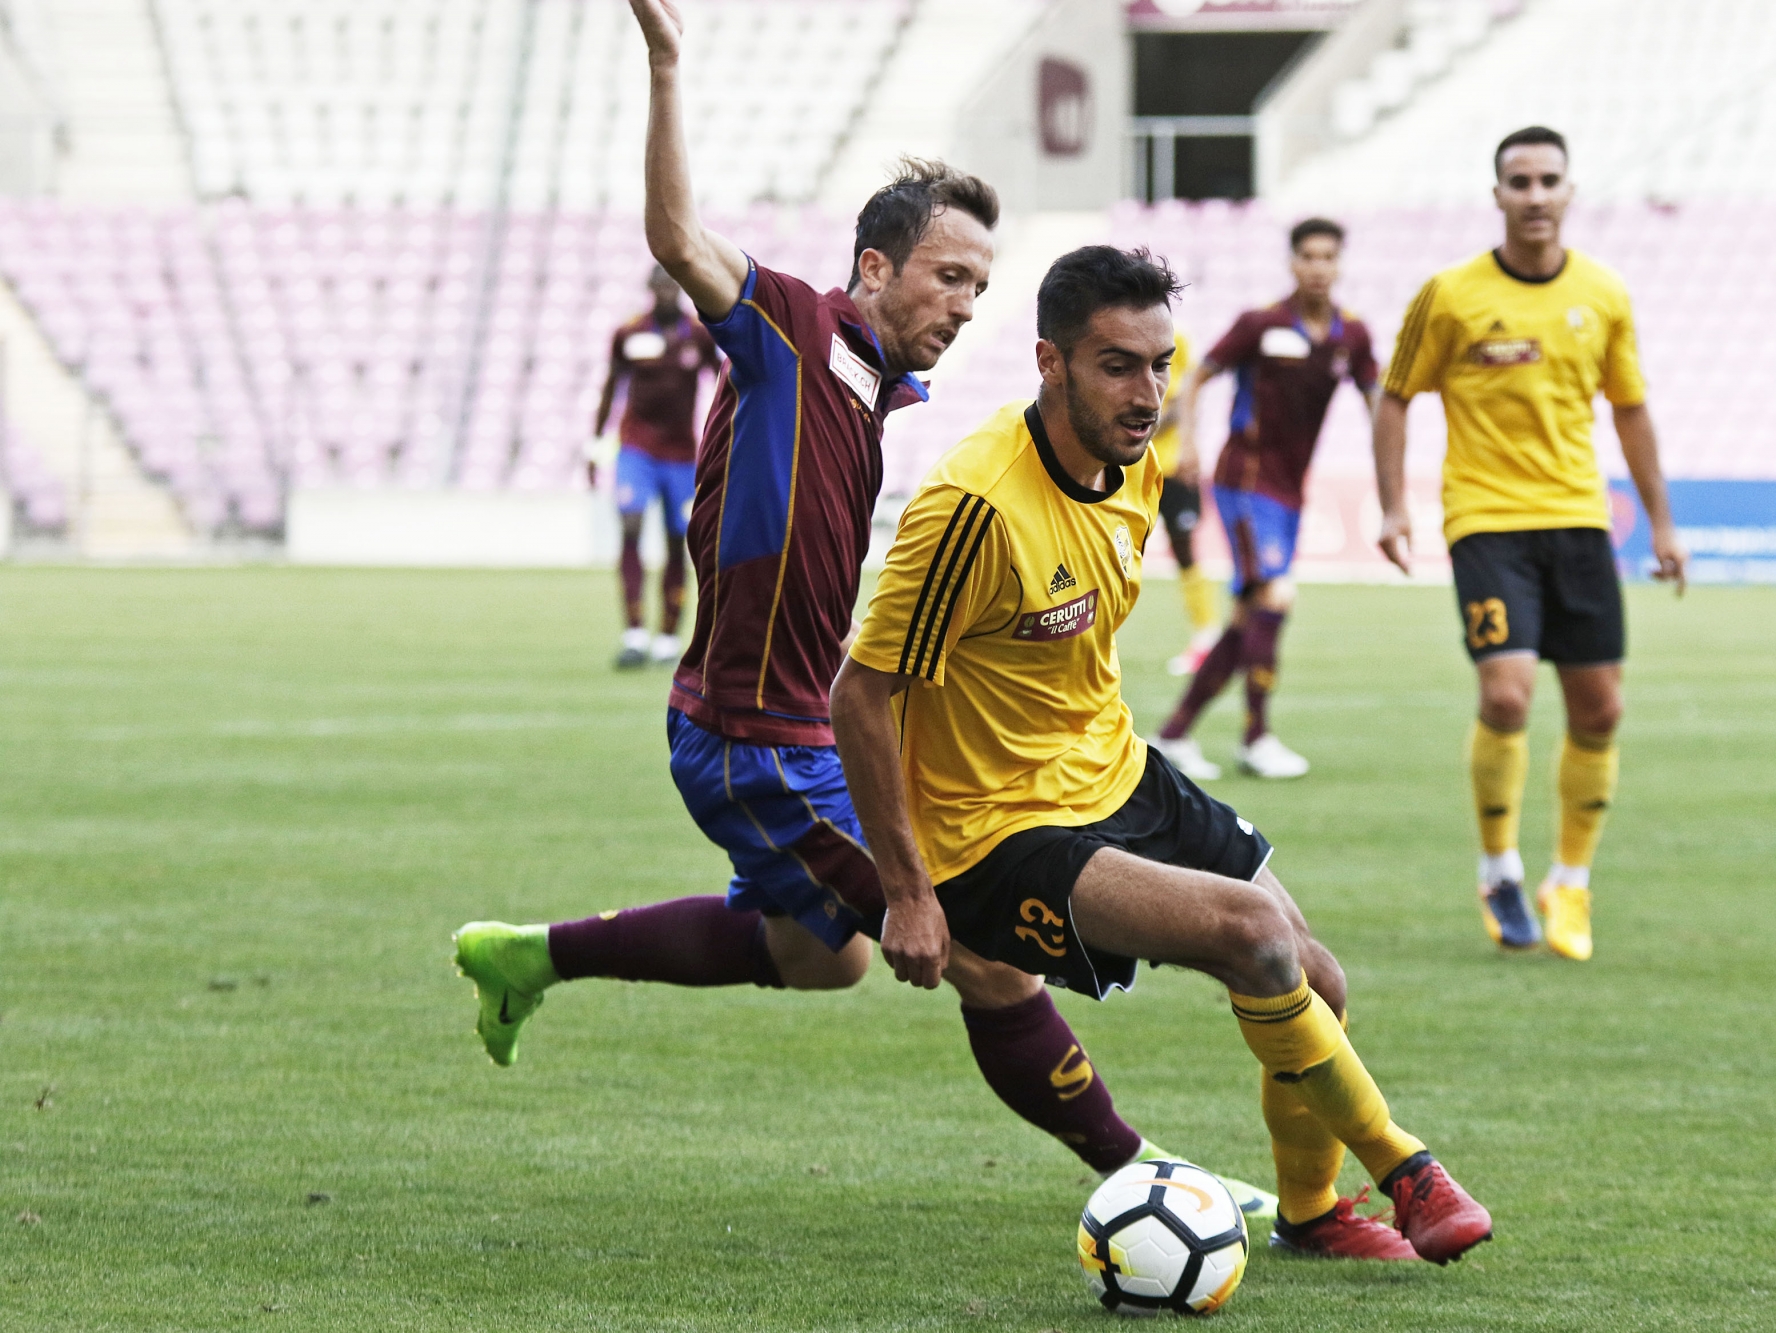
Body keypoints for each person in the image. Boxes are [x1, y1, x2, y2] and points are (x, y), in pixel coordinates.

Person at [452, 0, 1275, 1217]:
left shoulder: (879, 390)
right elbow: (679, 236)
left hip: (781, 731)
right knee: (969, 944)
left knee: (813, 956)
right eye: (948, 276)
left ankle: (530, 954)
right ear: (875, 269)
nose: (963, 302)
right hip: (757, 739)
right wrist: (669, 64)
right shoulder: (793, 328)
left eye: (980, 285)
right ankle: (1145, 1175)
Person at [831, 244, 1492, 1263]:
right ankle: (1406, 1169)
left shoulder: (1133, 463)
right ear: (1048, 362)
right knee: (1253, 936)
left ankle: (1314, 1215)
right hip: (995, 830)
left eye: (1159, 363)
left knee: (1318, 980)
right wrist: (909, 891)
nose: (1146, 393)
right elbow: (860, 693)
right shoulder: (972, 506)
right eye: (1116, 366)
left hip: (1110, 766)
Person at [1372, 126, 1688, 960]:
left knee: (1601, 709)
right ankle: (1498, 866)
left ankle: (1570, 884)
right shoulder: (1450, 295)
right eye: (1521, 181)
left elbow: (1630, 409)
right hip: (1487, 520)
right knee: (1508, 696)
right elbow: (1396, 392)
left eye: (1550, 179)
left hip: (1581, 521)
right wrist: (1392, 506)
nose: (1536, 194)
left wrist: (1660, 521)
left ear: (1570, 191)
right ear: (1499, 195)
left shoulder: (1604, 294)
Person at [1150, 219, 1379, 781]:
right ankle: (1256, 738)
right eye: (1308, 255)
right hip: (1244, 481)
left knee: (1252, 611)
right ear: (1292, 262)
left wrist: (1388, 474)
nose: (1318, 266)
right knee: (1275, 596)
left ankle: (1172, 736)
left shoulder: (1352, 336)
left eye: (1328, 256)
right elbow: (1199, 375)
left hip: (1290, 491)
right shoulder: (1261, 324)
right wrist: (1193, 444)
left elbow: (1378, 398)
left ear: (1340, 263)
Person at [590, 264, 721, 670]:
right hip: (637, 447)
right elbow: (612, 386)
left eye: (672, 285)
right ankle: (633, 633)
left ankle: (667, 637)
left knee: (677, 539)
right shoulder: (629, 332)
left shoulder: (698, 336)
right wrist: (596, 441)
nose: (666, 291)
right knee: (629, 523)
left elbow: (722, 382)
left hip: (681, 455)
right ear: (650, 288)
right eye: (660, 284)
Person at [1151, 328, 1222, 676]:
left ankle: (1206, 637)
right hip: (1132, 469)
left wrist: (1135, 428)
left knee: (1184, 550)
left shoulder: (1176, 339)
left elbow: (1182, 403)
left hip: (1174, 468)